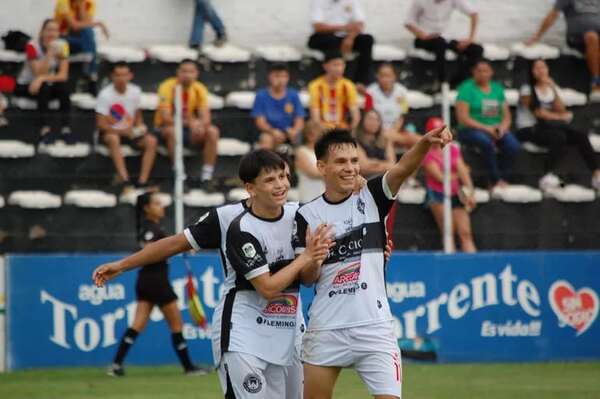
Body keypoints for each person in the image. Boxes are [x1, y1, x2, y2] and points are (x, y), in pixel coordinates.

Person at [92, 150, 334, 398]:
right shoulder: (229, 220)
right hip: (243, 331)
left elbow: (307, 277)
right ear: (250, 188)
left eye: (284, 176)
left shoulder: (300, 215)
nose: (281, 184)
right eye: (271, 179)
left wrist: (314, 259)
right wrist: (122, 265)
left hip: (289, 332)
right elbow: (174, 244)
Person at [293, 126, 452, 399]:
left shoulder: (373, 197)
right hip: (326, 326)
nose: (350, 168)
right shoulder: (306, 215)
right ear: (321, 166)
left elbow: (402, 169)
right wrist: (313, 258)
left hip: (375, 327)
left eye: (354, 161)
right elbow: (308, 278)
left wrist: (425, 144)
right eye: (341, 162)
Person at [107, 192, 205, 377]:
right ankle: (189, 368)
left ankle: (116, 365)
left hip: (145, 281)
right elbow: (152, 251)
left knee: (137, 324)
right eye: (157, 203)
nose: (162, 207)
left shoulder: (149, 227)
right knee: (176, 324)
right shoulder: (150, 229)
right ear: (147, 208)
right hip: (157, 282)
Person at [516, 59, 600, 191]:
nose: (541, 71)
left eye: (543, 67)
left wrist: (554, 89)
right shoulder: (526, 89)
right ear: (531, 72)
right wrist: (561, 117)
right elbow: (539, 113)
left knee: (580, 136)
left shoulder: (550, 87)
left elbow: (561, 109)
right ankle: (547, 175)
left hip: (549, 127)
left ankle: (596, 175)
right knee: (558, 136)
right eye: (536, 68)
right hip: (528, 129)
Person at [456, 59, 521, 190]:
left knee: (513, 145)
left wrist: (502, 128)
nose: (482, 74)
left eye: (485, 71)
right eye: (479, 71)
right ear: (473, 72)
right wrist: (487, 129)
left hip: (495, 127)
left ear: (491, 72)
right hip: (471, 129)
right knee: (486, 142)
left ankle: (504, 177)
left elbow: (506, 116)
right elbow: (463, 118)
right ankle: (494, 179)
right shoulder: (466, 88)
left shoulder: (497, 89)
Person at [155, 59, 220, 185]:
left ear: (196, 73)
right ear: (178, 72)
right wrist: (190, 123)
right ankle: (179, 174)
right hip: (166, 128)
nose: (187, 75)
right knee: (172, 131)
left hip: (189, 130)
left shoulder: (199, 88)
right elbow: (165, 118)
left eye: (191, 71)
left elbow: (205, 116)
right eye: (184, 71)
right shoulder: (167, 86)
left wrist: (200, 125)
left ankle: (207, 176)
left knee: (212, 131)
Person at [96, 62, 158, 192]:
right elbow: (101, 124)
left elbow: (137, 115)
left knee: (151, 141)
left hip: (129, 132)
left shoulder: (135, 91)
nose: (121, 78)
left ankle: (142, 181)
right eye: (118, 75)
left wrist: (140, 127)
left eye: (124, 75)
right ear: (112, 76)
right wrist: (122, 131)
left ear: (130, 76)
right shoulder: (105, 95)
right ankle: (124, 179)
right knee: (113, 139)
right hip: (111, 132)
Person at [526, 0, 600, 100]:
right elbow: (552, 15)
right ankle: (596, 84)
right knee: (592, 37)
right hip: (578, 36)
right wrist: (537, 36)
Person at [422, 117, 477, 253]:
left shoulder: (452, 149)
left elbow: (462, 172)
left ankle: (473, 266)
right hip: (437, 193)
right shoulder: (427, 153)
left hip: (454, 193)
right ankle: (451, 264)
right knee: (448, 232)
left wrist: (470, 192)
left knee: (465, 233)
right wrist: (459, 175)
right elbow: (441, 178)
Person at [405, 0, 483, 90]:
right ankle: (442, 82)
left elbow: (474, 13)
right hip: (424, 38)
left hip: (445, 38)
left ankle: (460, 81)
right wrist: (423, 35)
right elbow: (408, 22)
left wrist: (470, 38)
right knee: (440, 43)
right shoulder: (420, 1)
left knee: (476, 49)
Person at [15, 19, 71, 144]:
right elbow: (38, 72)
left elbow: (63, 75)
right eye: (49, 30)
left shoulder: (63, 45)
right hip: (27, 85)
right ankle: (44, 129)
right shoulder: (31, 46)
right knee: (44, 87)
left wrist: (41, 79)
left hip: (43, 82)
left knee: (63, 88)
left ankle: (65, 129)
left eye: (55, 30)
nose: (52, 34)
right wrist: (50, 53)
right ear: (42, 32)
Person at [308, 0, 374, 85]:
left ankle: (361, 82)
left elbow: (360, 23)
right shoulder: (318, 2)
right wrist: (344, 28)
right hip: (325, 36)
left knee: (367, 40)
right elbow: (318, 26)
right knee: (331, 41)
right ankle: (328, 81)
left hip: (347, 36)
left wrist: (350, 38)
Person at [54, 0, 109, 92]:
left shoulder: (90, 3)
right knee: (90, 39)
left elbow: (86, 24)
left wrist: (81, 6)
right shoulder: (63, 2)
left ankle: (91, 73)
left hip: (80, 41)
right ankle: (92, 76)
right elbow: (74, 26)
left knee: (88, 32)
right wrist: (99, 24)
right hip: (62, 37)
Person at [252, 62, 305, 151]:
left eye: (284, 76)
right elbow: (260, 121)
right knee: (266, 139)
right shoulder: (261, 95)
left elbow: (299, 118)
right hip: (270, 132)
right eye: (277, 76)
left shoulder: (293, 95)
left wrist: (294, 130)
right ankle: (267, 164)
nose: (281, 80)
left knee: (301, 138)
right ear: (269, 77)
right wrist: (273, 131)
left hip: (290, 132)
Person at [366, 63, 421, 150]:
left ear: (394, 77)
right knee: (388, 139)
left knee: (419, 140)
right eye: (382, 76)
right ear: (377, 76)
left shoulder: (402, 91)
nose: (385, 79)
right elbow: (369, 116)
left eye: (388, 76)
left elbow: (403, 114)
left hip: (397, 130)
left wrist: (394, 130)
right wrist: (382, 130)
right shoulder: (370, 92)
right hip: (377, 131)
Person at [308, 51, 360, 131]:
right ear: (325, 66)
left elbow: (355, 115)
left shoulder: (348, 85)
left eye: (341, 65)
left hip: (342, 129)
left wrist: (350, 129)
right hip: (322, 129)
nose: (339, 69)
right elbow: (315, 116)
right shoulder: (315, 85)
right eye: (335, 65)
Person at [355, 109, 396, 178]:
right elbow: (363, 167)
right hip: (365, 179)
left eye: (377, 120)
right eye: (370, 119)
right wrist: (386, 165)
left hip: (386, 178)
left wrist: (373, 163)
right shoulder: (355, 141)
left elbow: (392, 164)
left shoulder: (386, 140)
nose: (373, 122)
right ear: (362, 121)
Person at [296, 121, 326, 204]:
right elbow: (313, 173)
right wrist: (334, 171)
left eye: (320, 133)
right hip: (307, 199)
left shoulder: (325, 153)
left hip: (324, 199)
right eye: (314, 133)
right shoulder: (301, 151)